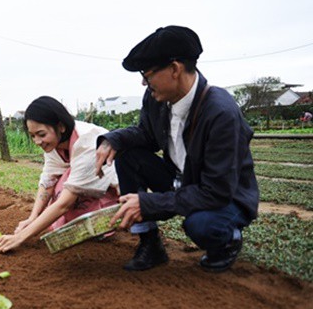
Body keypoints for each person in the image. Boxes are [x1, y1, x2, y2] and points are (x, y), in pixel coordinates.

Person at [95, 26, 259, 273]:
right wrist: (113, 140)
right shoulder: (156, 99)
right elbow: (146, 135)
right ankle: (150, 244)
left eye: (147, 73)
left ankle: (228, 239)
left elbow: (215, 192)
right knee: (128, 154)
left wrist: (149, 203)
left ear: (174, 69)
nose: (143, 82)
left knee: (201, 225)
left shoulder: (220, 113)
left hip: (226, 196)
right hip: (183, 181)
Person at [0, 96, 119, 253]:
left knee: (66, 185)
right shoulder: (55, 144)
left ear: (60, 126)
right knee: (59, 181)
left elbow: (65, 203)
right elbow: (48, 179)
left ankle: (100, 223)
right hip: (83, 185)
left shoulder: (87, 142)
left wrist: (20, 237)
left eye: (41, 134)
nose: (37, 141)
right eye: (32, 136)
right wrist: (32, 218)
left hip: (112, 193)